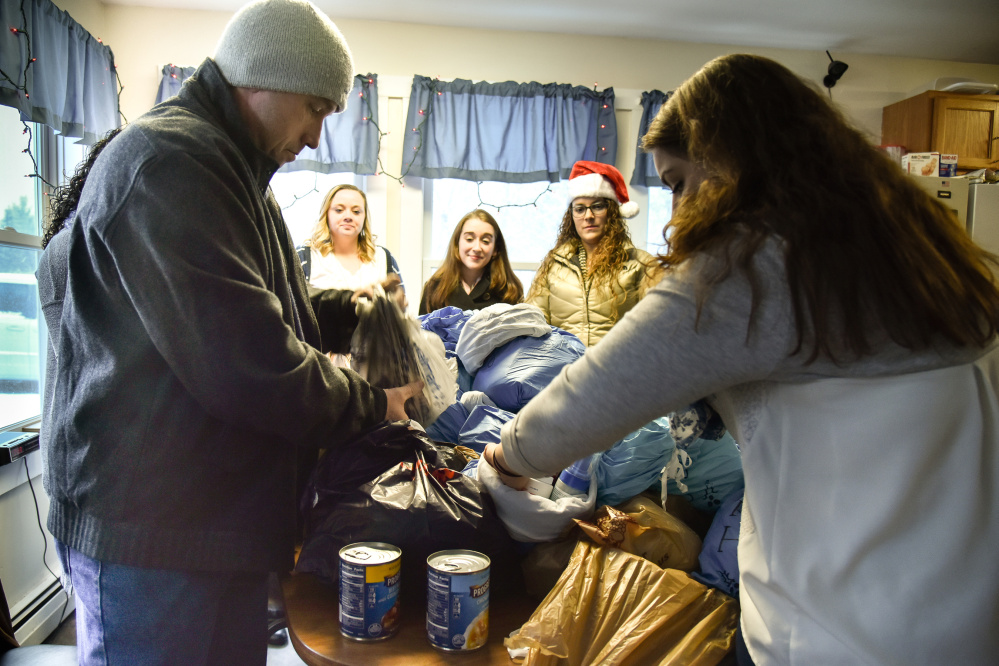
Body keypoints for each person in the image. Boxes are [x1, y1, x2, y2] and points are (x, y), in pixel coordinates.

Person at [486, 54, 999, 663]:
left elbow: (588, 400)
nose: (676, 213)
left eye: (678, 182)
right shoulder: (917, 252)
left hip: (834, 630)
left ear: (729, 160)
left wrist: (507, 452)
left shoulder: (751, 263)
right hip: (965, 620)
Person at [41, 1, 419, 663]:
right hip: (150, 539)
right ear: (262, 81)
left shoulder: (235, 175)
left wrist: (353, 310)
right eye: (315, 109)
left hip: (217, 526)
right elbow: (247, 366)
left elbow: (269, 307)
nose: (315, 136)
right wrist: (373, 405)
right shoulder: (169, 163)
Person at [526, 161, 660, 346]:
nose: (588, 216)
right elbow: (532, 322)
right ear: (571, 216)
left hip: (614, 368)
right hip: (563, 369)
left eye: (597, 206)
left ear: (611, 212)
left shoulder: (641, 263)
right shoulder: (552, 265)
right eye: (580, 209)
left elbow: (656, 325)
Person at [297, 183, 403, 292]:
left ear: (364, 217)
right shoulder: (305, 256)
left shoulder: (384, 258)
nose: (348, 217)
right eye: (339, 210)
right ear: (326, 214)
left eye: (356, 212)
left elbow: (401, 305)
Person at [418, 208, 523, 315]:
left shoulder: (510, 290)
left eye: (485, 241)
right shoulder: (435, 287)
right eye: (469, 239)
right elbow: (421, 331)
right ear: (457, 243)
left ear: (495, 249)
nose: (477, 248)